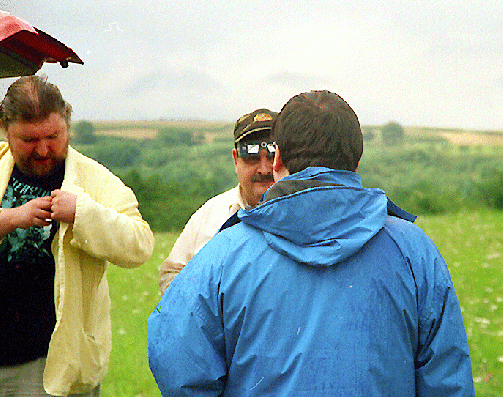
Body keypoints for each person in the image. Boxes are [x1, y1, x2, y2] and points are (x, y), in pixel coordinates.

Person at [148, 90, 474, 396]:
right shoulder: (414, 250)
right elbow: (447, 379)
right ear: (355, 164)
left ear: (276, 163)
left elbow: (176, 362)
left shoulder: (222, 254)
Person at [0, 75, 155, 396]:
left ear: (67, 125)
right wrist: (13, 218)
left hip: (55, 364)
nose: (43, 149)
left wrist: (84, 213)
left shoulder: (95, 181)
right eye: (29, 140)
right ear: (6, 131)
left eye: (53, 136)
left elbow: (140, 244)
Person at [158, 108, 277, 293]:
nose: (264, 169)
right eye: (251, 157)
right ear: (236, 160)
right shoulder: (210, 213)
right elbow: (171, 274)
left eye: (272, 156)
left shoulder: (304, 217)